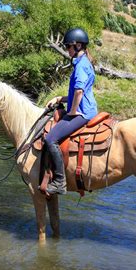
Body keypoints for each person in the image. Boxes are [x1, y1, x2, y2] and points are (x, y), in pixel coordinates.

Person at [43, 28, 98, 195]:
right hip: (88, 108)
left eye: (68, 46)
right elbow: (76, 92)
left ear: (78, 45)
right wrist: (60, 98)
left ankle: (60, 181)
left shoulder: (81, 65)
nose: (67, 49)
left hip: (82, 112)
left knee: (51, 138)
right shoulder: (83, 63)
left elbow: (79, 92)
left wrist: (72, 112)